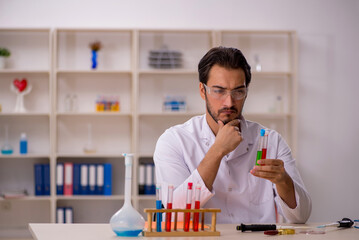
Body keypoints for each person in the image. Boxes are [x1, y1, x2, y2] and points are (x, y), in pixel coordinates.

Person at [154, 46, 311, 224]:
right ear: (202, 90)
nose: (229, 102)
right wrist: (217, 150)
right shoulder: (174, 141)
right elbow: (175, 217)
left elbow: (301, 216)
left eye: (238, 91)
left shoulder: (271, 141)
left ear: (246, 91)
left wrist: (283, 181)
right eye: (219, 91)